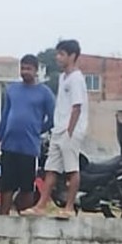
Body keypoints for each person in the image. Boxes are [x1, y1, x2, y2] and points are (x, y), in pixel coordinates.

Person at [25, 40, 88, 220]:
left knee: (71, 169)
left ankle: (69, 207)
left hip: (71, 131)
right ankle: (41, 205)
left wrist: (70, 131)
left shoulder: (76, 78)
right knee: (51, 168)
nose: (58, 57)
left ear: (72, 56)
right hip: (58, 129)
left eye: (62, 54)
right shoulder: (62, 77)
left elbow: (77, 107)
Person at [0, 54, 55, 215]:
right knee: (7, 184)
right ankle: (4, 216)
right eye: (22, 68)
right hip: (9, 145)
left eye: (28, 69)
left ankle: (24, 218)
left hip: (29, 147)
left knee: (26, 186)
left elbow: (53, 119)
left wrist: (36, 130)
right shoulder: (12, 89)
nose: (25, 72)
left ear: (36, 70)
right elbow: (5, 117)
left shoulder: (44, 93)